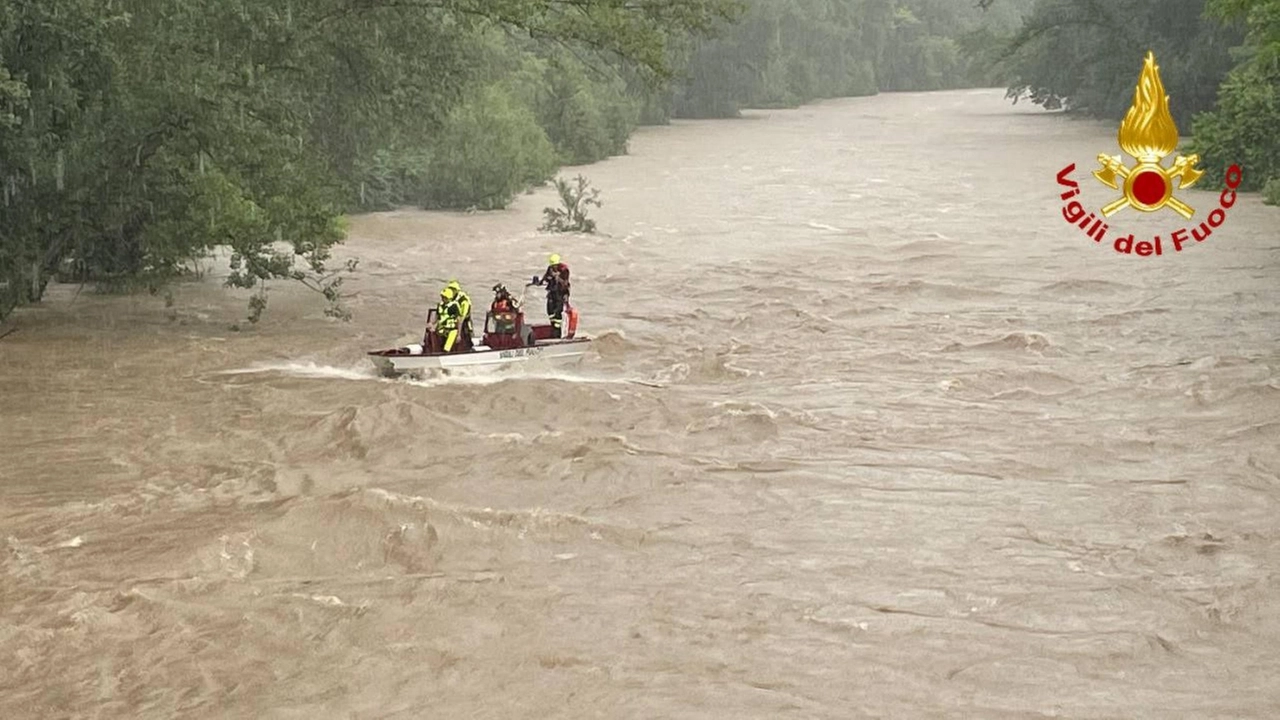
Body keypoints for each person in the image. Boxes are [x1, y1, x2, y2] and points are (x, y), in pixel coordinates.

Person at [530, 253, 570, 338]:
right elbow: (546, 277)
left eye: (555, 266)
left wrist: (557, 278)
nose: (553, 267)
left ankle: (557, 333)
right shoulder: (550, 269)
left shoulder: (564, 270)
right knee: (550, 311)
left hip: (560, 294)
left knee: (557, 314)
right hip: (552, 292)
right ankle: (552, 328)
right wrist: (539, 282)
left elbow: (565, 283)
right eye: (552, 266)